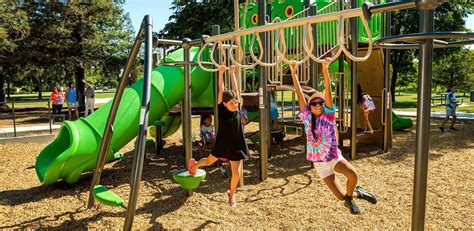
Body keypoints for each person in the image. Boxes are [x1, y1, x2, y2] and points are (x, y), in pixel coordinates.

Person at [289, 59, 377, 214]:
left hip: (333, 157)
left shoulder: (328, 115)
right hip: (320, 164)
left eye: (320, 103)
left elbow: (328, 91)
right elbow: (299, 94)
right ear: (309, 107)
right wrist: (294, 74)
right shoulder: (307, 117)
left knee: (353, 175)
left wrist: (325, 69)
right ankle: (358, 194)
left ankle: (352, 196)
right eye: (314, 104)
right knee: (341, 196)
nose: (317, 105)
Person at [189, 65, 248, 208]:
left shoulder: (237, 108)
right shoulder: (221, 109)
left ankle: (231, 194)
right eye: (232, 103)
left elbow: (237, 91)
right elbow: (221, 89)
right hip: (222, 143)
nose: (235, 105)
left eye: (235, 103)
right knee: (209, 162)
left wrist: (232, 73)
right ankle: (194, 165)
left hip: (236, 144)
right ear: (225, 103)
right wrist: (221, 73)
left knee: (237, 173)